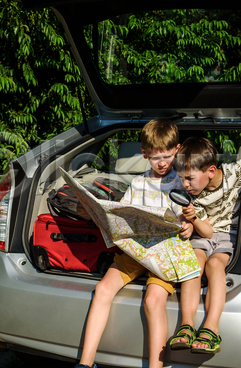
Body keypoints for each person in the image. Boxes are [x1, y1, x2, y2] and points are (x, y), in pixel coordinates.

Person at [75, 119, 196, 368]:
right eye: (155, 158)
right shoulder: (137, 184)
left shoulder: (180, 184)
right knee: (103, 290)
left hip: (165, 255)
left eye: (167, 156)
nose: (162, 163)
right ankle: (85, 363)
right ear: (145, 154)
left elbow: (187, 218)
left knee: (153, 300)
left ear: (177, 150)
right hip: (136, 251)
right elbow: (125, 214)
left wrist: (189, 226)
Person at [168, 136, 241, 354]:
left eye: (189, 178)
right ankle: (186, 326)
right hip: (204, 232)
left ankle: (211, 327)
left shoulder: (235, 172)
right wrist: (193, 218)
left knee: (215, 266)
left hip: (228, 236)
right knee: (193, 266)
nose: (185, 184)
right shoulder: (192, 195)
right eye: (182, 178)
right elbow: (207, 231)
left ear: (211, 171)